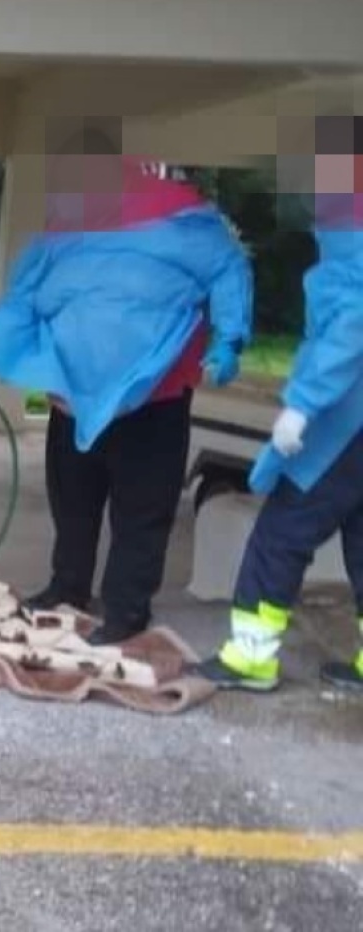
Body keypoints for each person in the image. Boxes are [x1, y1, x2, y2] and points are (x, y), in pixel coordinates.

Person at [0, 122, 253, 646]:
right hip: (72, 402)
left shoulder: (179, 219)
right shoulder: (63, 233)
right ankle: (68, 587)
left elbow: (227, 268)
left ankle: (126, 610)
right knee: (74, 505)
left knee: (141, 514)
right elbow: (17, 307)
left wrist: (231, 336)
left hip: (152, 404)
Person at [196, 114, 363, 693]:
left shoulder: (351, 237)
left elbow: (350, 329)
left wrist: (302, 405)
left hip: (345, 424)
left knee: (282, 532)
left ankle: (250, 657)